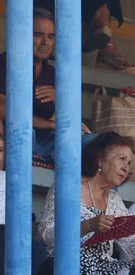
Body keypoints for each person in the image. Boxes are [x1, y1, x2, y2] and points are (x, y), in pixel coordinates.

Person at [39, 132, 135, 275]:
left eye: (129, 163)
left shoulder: (114, 199)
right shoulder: (68, 188)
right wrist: (89, 226)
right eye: (121, 159)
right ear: (100, 159)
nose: (126, 167)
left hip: (103, 267)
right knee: (85, 262)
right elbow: (46, 233)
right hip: (68, 262)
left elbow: (131, 241)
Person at [23, 9, 91, 166]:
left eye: (51, 37)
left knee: (94, 142)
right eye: (38, 35)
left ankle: (46, 160)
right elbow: (3, 110)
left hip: (47, 142)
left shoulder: (52, 73)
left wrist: (60, 100)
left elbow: (69, 118)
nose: (45, 43)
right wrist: (51, 124)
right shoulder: (5, 64)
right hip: (18, 139)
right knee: (25, 132)